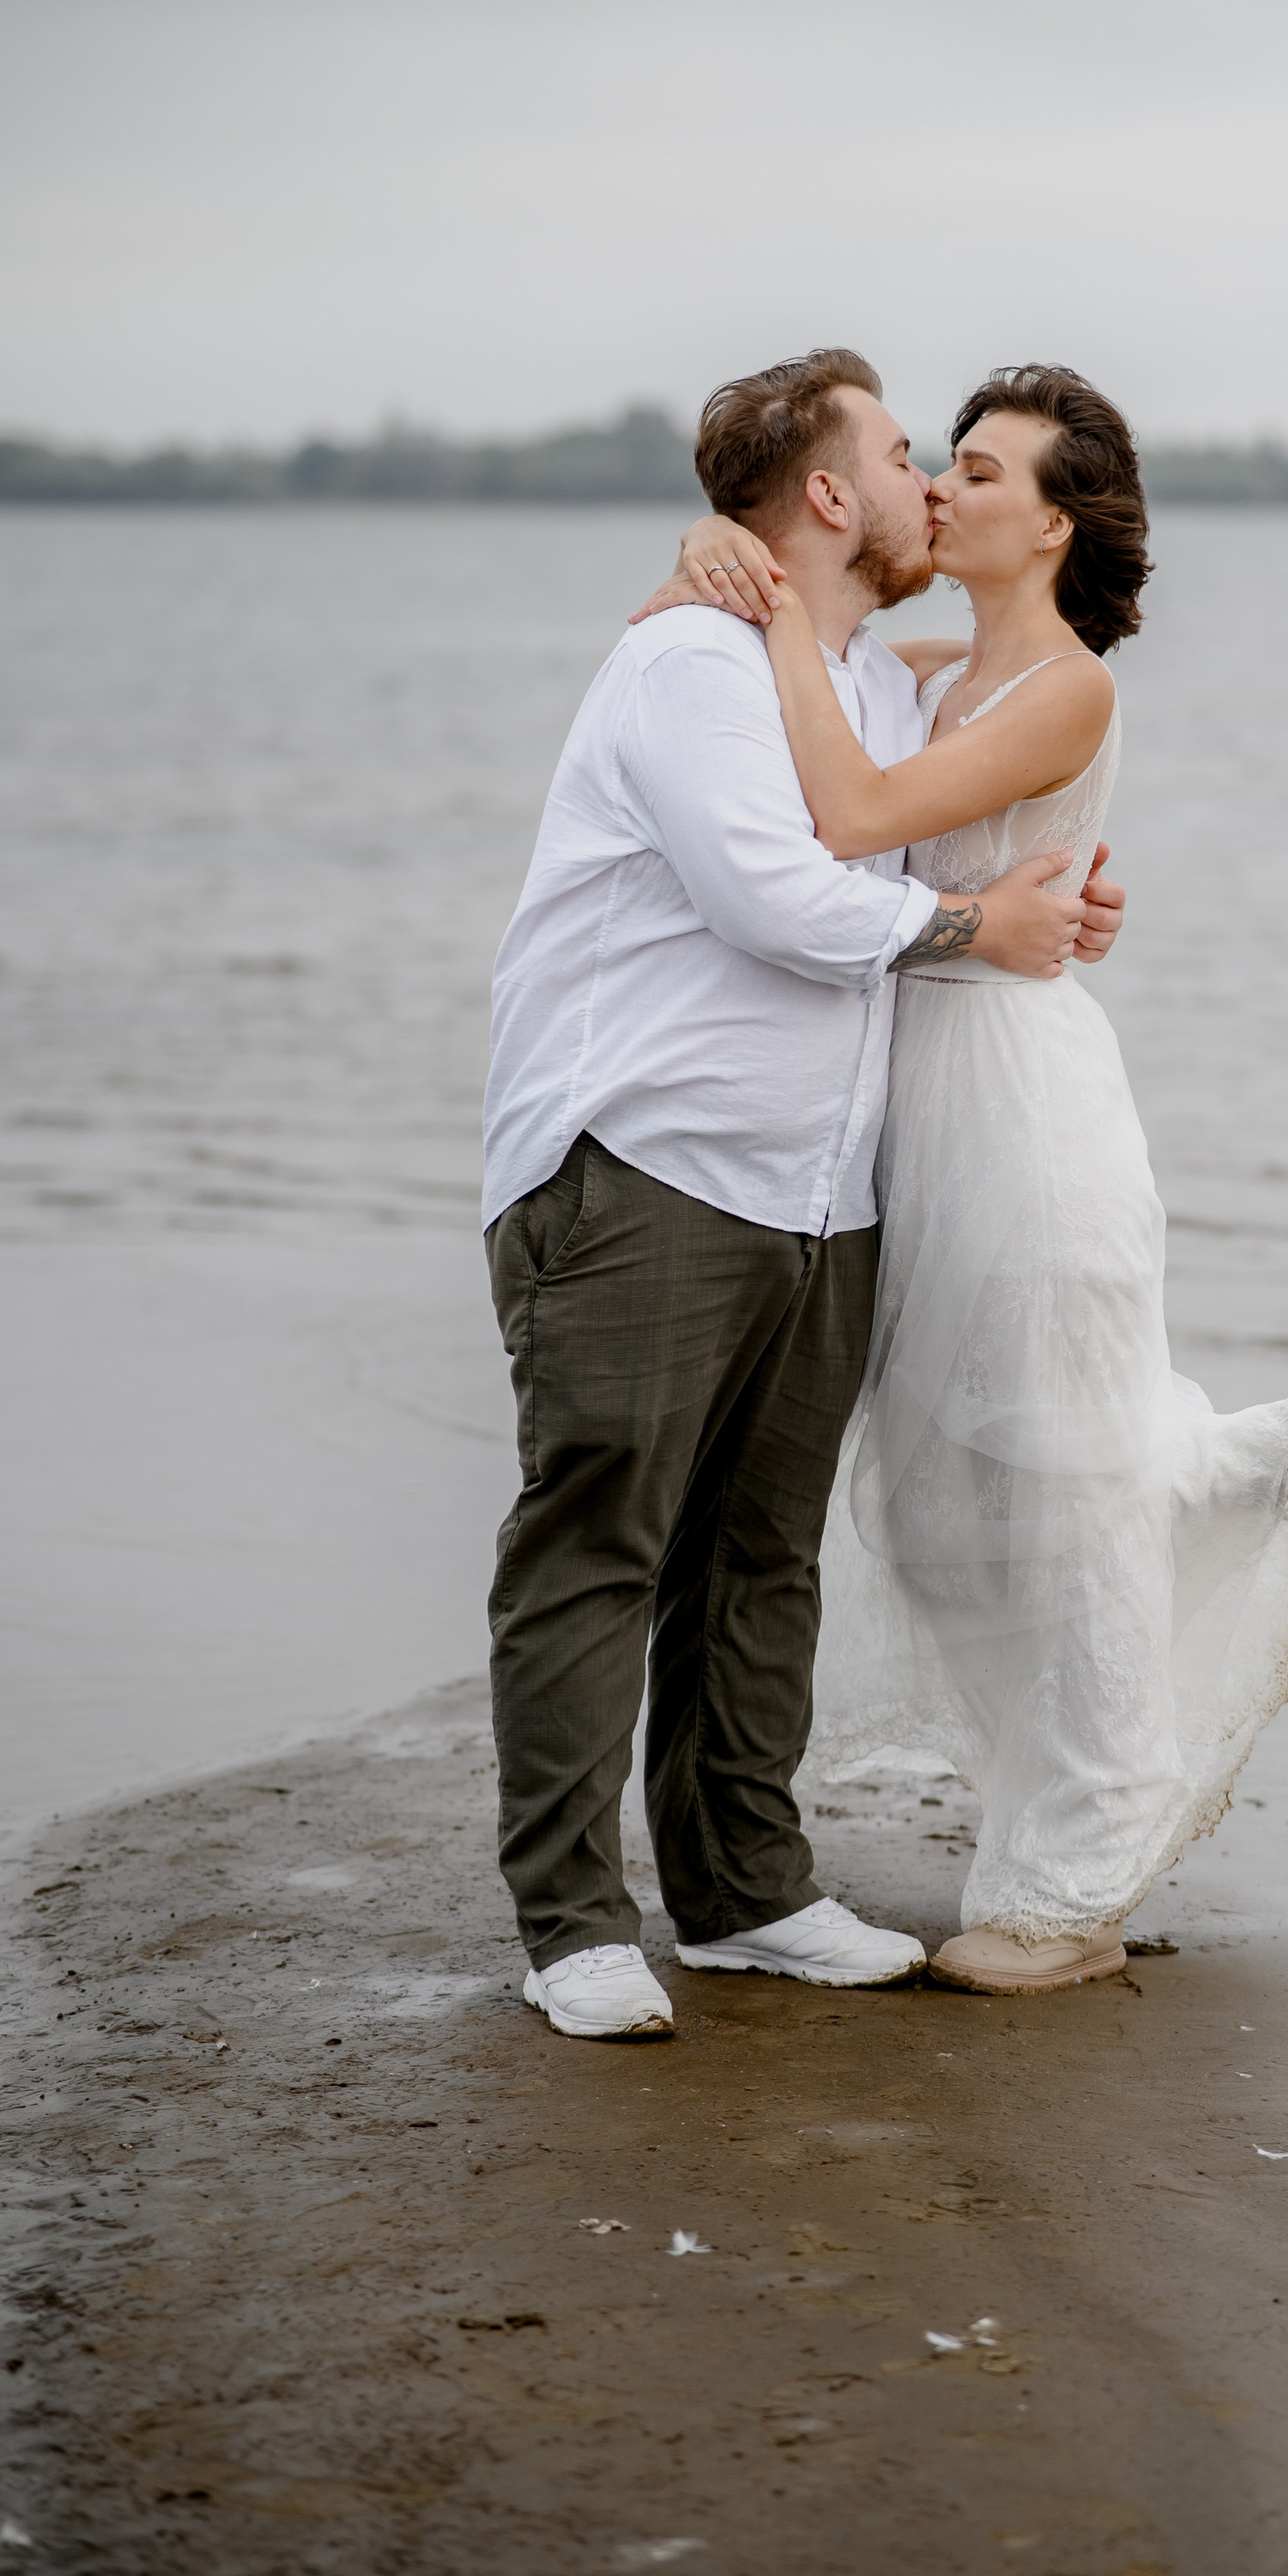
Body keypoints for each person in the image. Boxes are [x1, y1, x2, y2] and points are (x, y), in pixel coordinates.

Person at [645, 362, 1288, 1995]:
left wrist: (773, 616)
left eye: (976, 470)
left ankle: (1073, 1884)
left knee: (1063, 1484)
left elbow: (850, 813)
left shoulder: (1069, 689)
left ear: (1052, 524)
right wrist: (715, 556)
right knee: (944, 1500)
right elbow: (831, 730)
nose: (938, 488)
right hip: (919, 1110)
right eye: (939, 461)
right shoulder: (936, 672)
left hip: (1026, 1111)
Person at [480, 348, 1128, 2040]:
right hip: (644, 1166)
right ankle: (572, 1925)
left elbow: (943, 805)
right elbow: (775, 895)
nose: (930, 483)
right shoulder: (690, 664)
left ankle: (743, 1894)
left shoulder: (877, 689)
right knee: (599, 1543)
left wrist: (1042, 903)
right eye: (910, 455)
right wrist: (977, 924)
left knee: (760, 1559)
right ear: (830, 493)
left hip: (826, 1192)